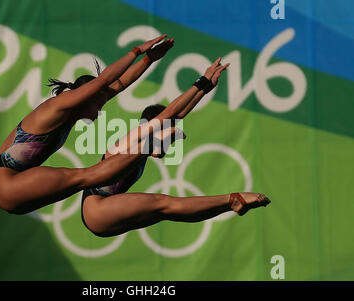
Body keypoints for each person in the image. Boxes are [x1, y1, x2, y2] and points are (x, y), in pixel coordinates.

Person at [81, 59, 271, 238]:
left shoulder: (145, 141)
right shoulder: (132, 137)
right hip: (97, 207)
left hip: (104, 216)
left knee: (170, 210)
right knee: (165, 203)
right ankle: (232, 200)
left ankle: (230, 204)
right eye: (164, 132)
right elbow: (170, 113)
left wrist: (205, 89)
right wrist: (201, 81)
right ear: (153, 126)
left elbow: (177, 114)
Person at [0, 34, 176, 214]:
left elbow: (119, 84)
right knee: (87, 176)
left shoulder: (74, 111)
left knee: (89, 178)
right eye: (98, 104)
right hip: (9, 184)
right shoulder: (58, 106)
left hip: (16, 191)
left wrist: (149, 59)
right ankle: (148, 146)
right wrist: (137, 51)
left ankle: (146, 149)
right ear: (85, 97)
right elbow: (104, 80)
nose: (100, 111)